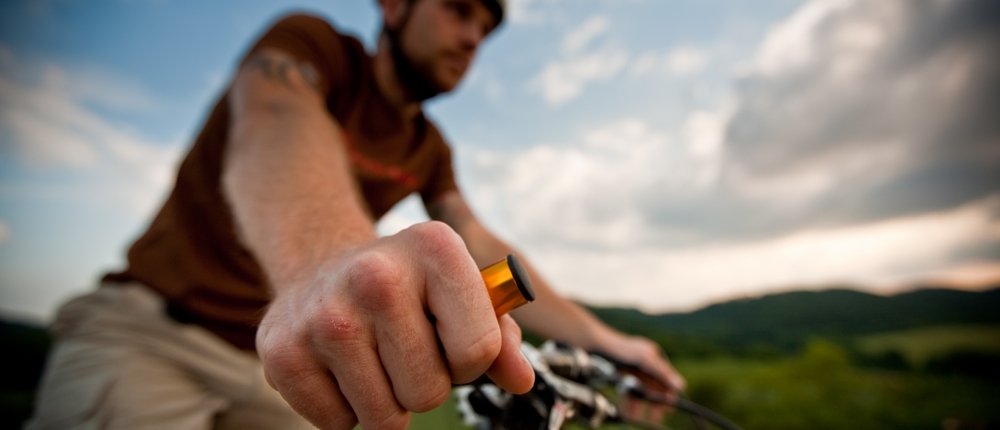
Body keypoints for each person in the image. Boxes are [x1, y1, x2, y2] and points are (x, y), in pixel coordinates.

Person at [28, 0, 686, 428]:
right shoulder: (311, 49)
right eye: (460, 11)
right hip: (152, 336)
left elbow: (479, 239)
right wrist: (330, 262)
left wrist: (609, 343)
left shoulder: (429, 148)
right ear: (395, 7)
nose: (471, 40)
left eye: (485, 31)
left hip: (283, 372)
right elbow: (275, 124)